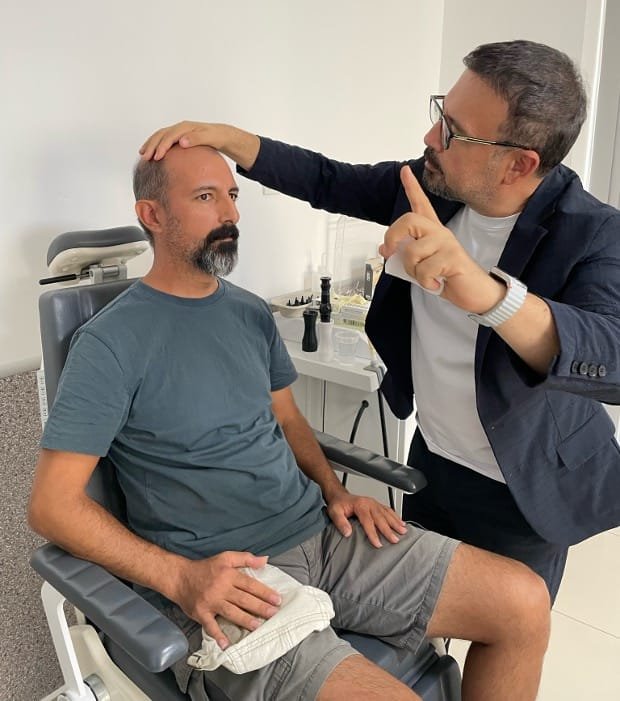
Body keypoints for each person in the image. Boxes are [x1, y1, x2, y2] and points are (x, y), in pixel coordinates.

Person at [29, 144, 550, 701]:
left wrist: (334, 490)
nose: (230, 213)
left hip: (322, 533)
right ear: (152, 214)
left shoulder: (249, 312)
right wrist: (179, 578)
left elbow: (287, 417)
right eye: (205, 197)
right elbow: (52, 506)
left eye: (232, 195)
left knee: (524, 603)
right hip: (228, 574)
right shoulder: (110, 343)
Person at [139, 39, 620, 602]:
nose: (430, 138)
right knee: (422, 618)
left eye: (454, 132)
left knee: (510, 622)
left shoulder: (593, 231)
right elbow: (326, 179)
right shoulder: (433, 185)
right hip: (435, 460)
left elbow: (609, 356)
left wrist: (488, 295)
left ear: (520, 163)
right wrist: (226, 137)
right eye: (441, 114)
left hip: (526, 484)